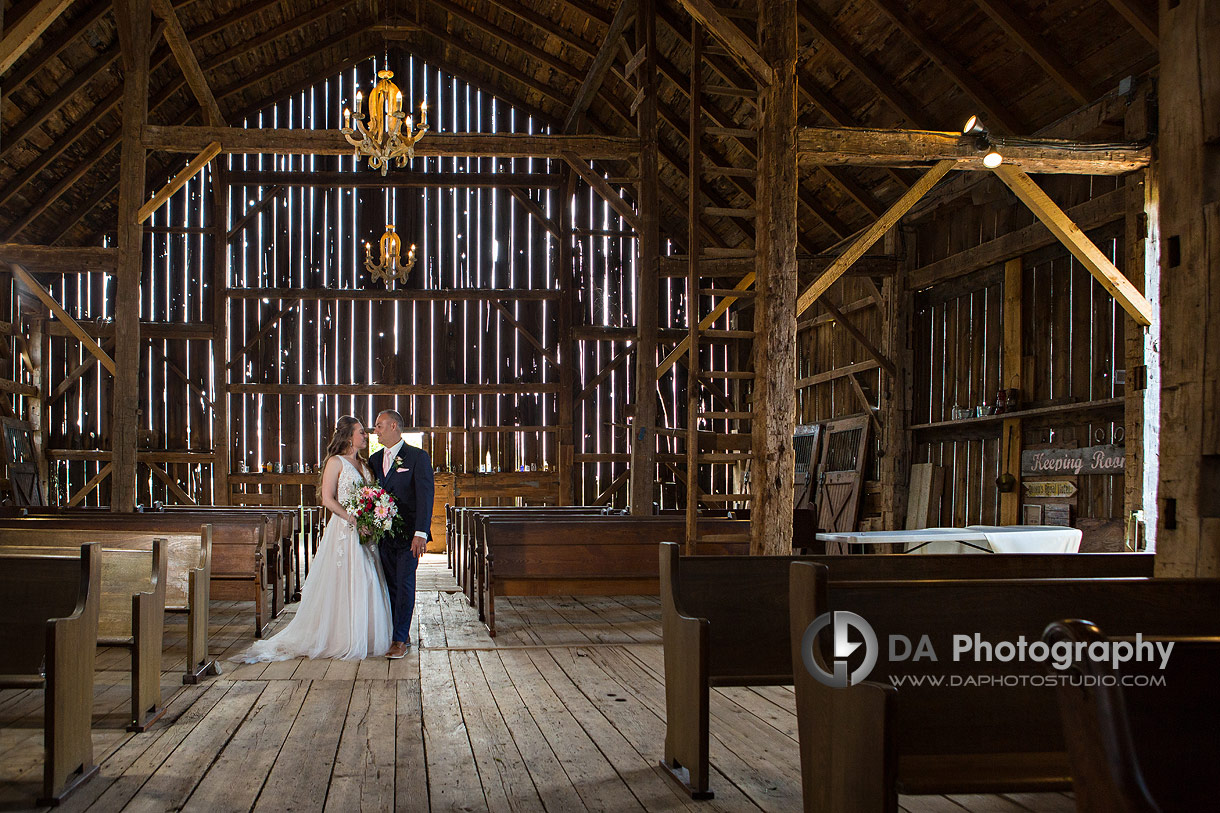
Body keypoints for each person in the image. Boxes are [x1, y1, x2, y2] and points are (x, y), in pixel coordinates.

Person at [234, 417, 391, 662]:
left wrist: (371, 519)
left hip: (365, 532)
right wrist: (353, 519)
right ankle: (340, 637)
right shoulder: (335, 462)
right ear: (349, 436)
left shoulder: (365, 464)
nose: (366, 435)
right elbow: (328, 499)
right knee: (344, 581)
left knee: (367, 579)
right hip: (345, 531)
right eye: (361, 432)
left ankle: (365, 634)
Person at [370, 409, 434, 659]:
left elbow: (426, 496)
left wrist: (421, 532)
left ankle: (399, 641)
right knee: (390, 584)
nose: (375, 430)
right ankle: (400, 630)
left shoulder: (417, 457)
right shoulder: (374, 460)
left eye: (379, 425)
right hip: (383, 535)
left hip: (409, 536)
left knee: (405, 583)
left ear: (394, 426)